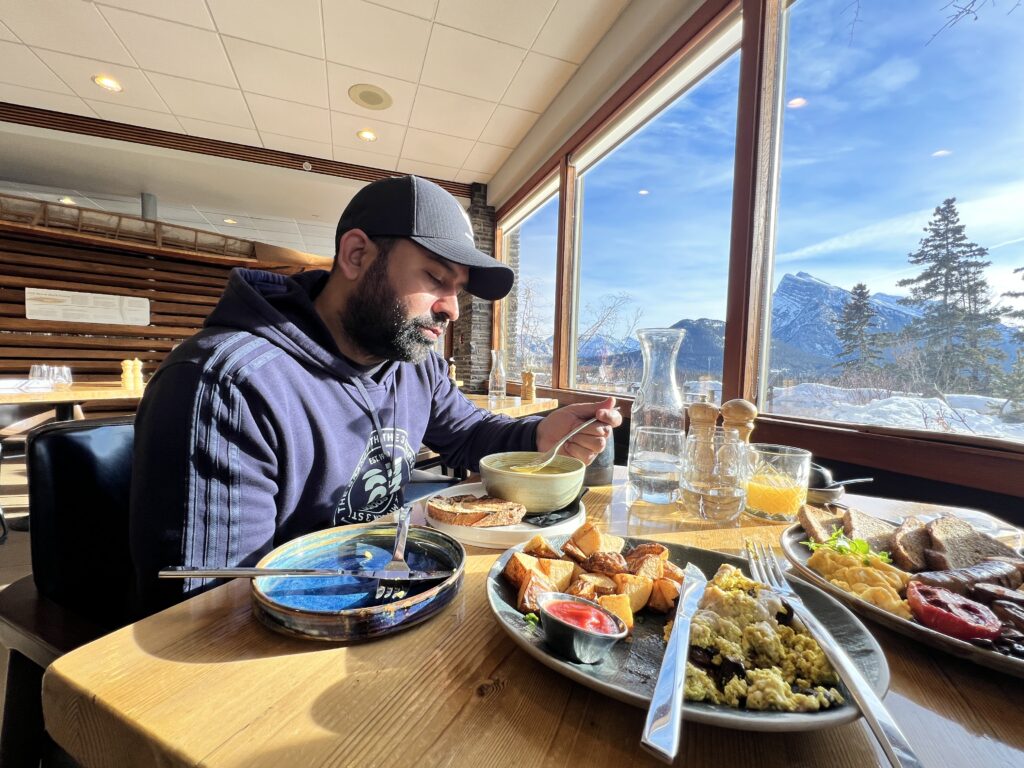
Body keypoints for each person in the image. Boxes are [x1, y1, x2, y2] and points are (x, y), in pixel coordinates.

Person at [130, 175, 621, 612]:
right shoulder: (228, 385)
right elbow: (208, 602)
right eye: (435, 278)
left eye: (458, 289)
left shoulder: (413, 364)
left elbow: (469, 434)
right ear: (356, 255)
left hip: (387, 591)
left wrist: (539, 434)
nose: (451, 309)